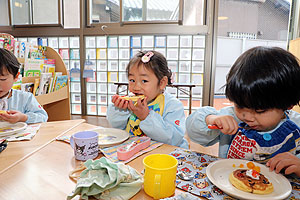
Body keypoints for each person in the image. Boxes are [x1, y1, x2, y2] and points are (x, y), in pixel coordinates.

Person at [186, 46, 300, 167]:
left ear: (288, 104)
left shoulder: (296, 124)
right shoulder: (231, 117)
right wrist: (211, 119)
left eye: (259, 110)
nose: (247, 117)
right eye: (240, 106)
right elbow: (193, 131)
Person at [107, 50, 188, 149]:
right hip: (134, 150)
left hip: (164, 154)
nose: (136, 87)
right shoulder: (132, 100)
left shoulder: (173, 105)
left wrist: (146, 117)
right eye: (132, 80)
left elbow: (173, 139)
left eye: (144, 81)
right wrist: (119, 109)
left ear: (162, 82)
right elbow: (117, 127)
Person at [0, 48, 48, 124]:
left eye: (2, 79)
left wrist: (23, 118)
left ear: (16, 77)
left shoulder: (25, 98)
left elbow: (43, 116)